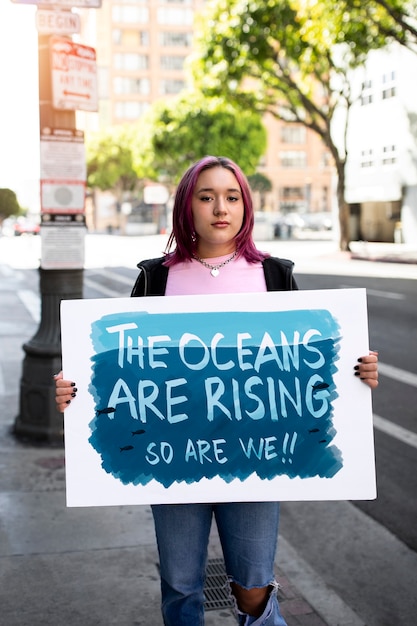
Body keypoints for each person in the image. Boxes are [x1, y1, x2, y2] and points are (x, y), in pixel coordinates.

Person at [56, 156, 378, 626]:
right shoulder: (156, 277)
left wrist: (356, 372)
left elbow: (310, 361)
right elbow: (118, 368)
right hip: (172, 455)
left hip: (254, 456)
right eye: (205, 197)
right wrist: (75, 392)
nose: (219, 208)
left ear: (246, 205)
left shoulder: (274, 276)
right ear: (187, 206)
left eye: (232, 197)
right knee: (182, 586)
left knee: (253, 586)